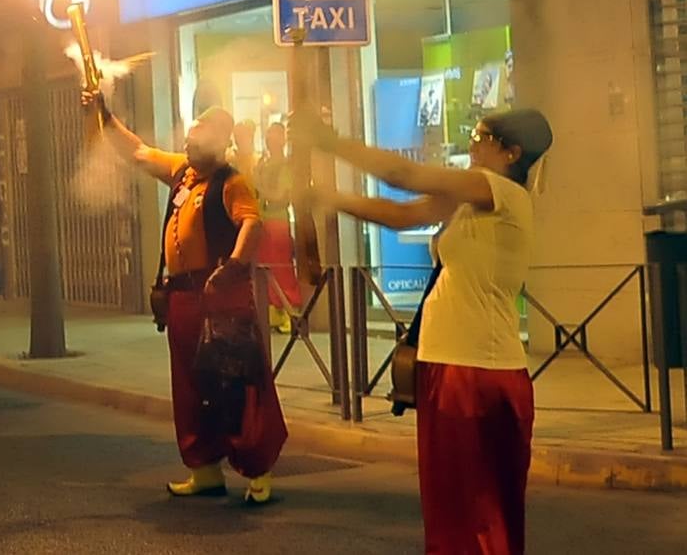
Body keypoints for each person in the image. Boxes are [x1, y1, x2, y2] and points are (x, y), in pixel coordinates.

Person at [295, 108, 552, 554]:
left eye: (483, 136)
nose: (473, 143)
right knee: (451, 503)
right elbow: (401, 214)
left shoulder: (500, 191)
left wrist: (333, 143)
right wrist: (327, 197)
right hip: (451, 361)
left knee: (476, 509)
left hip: (476, 369)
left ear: (512, 152)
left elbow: (404, 174)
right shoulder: (473, 200)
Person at [88, 90, 287, 503]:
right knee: (192, 387)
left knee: (238, 384)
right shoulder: (182, 173)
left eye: (194, 141)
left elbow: (252, 225)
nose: (185, 146)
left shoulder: (232, 182)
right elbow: (139, 152)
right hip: (183, 300)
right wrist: (105, 115)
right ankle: (205, 469)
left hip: (221, 298)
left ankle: (257, 470)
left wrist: (232, 265)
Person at [252, 122, 302, 334]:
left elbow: (282, 196)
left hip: (277, 221)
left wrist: (261, 187)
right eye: (268, 136)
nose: (270, 141)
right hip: (263, 221)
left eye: (275, 137)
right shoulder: (264, 163)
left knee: (281, 269)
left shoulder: (285, 165)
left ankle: (289, 312)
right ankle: (273, 314)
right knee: (267, 268)